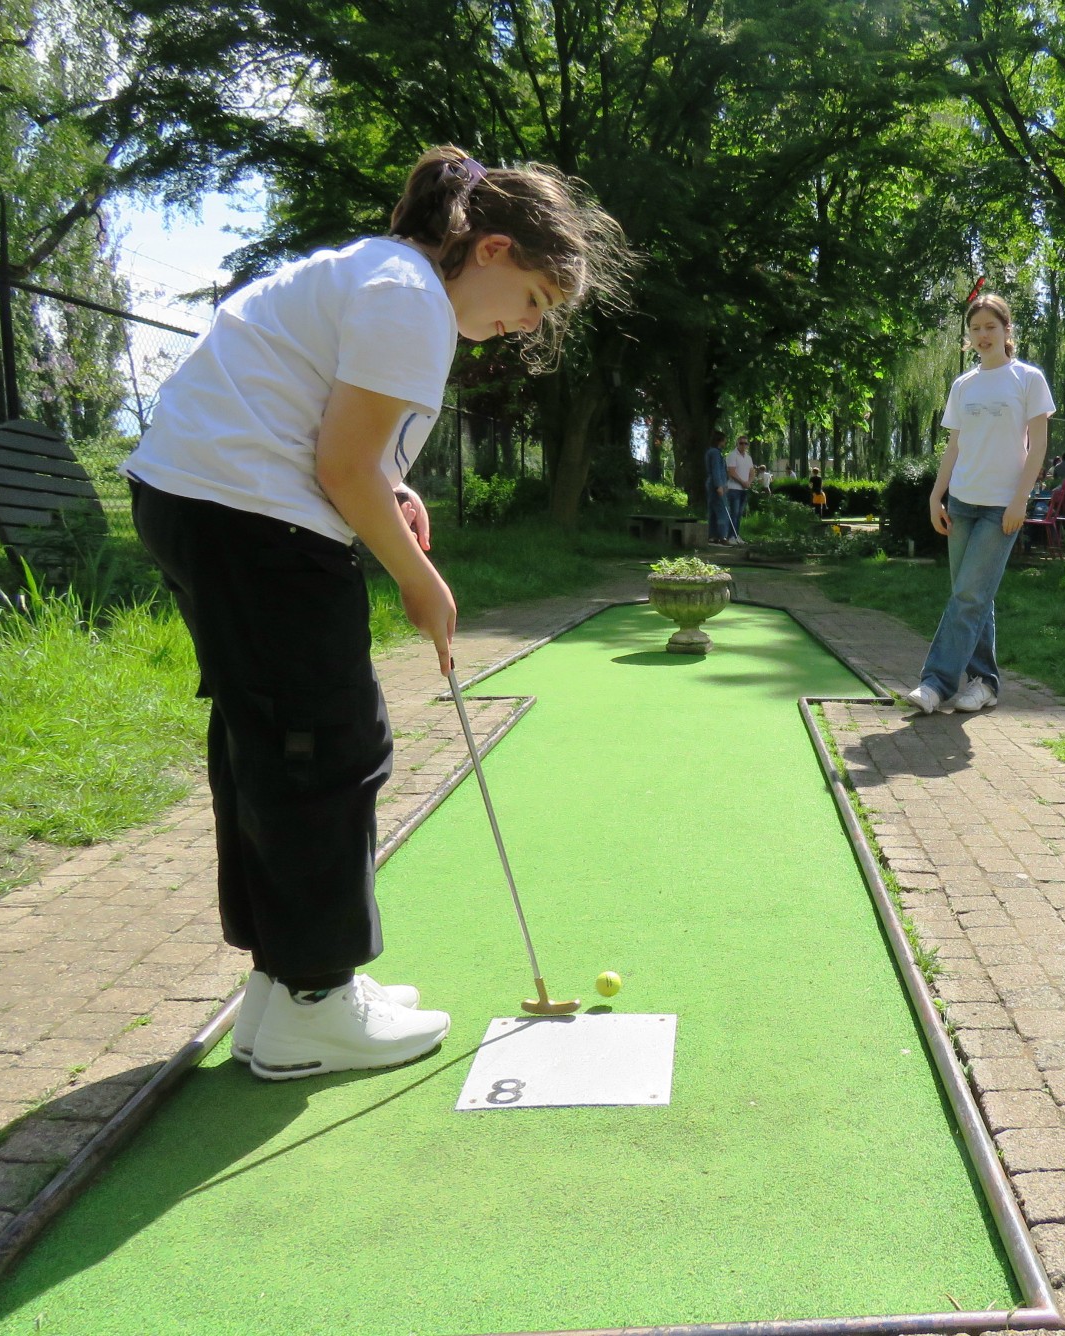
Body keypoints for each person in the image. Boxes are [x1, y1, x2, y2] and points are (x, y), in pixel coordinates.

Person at [121, 144, 625, 1080]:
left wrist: (390, 492)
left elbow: (345, 445)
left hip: (211, 500)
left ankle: (282, 993)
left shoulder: (387, 278)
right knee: (329, 744)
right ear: (492, 250)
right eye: (532, 300)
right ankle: (319, 999)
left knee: (269, 740)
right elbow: (340, 467)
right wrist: (416, 576)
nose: (523, 325)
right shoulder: (409, 300)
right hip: (249, 514)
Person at [905, 292, 1055, 716]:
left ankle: (935, 684)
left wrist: (1020, 500)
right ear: (968, 337)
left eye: (991, 326)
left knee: (969, 594)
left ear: (1008, 330)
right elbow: (954, 446)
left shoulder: (1028, 379)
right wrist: (937, 495)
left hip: (1000, 507)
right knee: (973, 595)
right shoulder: (964, 384)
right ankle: (985, 682)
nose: (983, 335)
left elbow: (1039, 445)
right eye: (975, 329)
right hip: (963, 501)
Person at [703, 430, 732, 543]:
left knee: (713, 511)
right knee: (722, 510)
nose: (725, 442)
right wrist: (719, 485)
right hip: (716, 485)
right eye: (724, 440)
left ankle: (712, 535)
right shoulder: (715, 453)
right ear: (720, 441)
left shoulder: (712, 452)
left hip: (714, 483)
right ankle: (722, 535)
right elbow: (716, 470)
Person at [725, 435, 754, 538]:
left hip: (744, 489)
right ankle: (730, 536)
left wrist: (749, 482)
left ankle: (736, 535)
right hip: (734, 489)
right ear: (737, 444)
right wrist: (742, 482)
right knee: (734, 513)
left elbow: (752, 472)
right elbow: (731, 472)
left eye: (745, 443)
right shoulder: (732, 455)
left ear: (748, 445)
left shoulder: (748, 457)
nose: (743, 445)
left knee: (739, 514)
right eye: (741, 443)